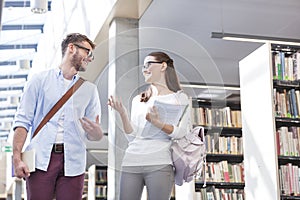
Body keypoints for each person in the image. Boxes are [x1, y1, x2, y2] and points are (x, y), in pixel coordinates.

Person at [12, 33, 103, 200]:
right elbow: (22, 121)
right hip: (40, 160)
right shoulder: (39, 81)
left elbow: (94, 135)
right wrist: (17, 158)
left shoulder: (90, 90)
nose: (90, 58)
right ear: (71, 48)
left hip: (74, 161)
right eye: (87, 52)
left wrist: (97, 133)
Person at [108, 51, 191, 200]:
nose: (144, 69)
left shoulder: (180, 98)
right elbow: (131, 137)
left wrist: (157, 123)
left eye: (148, 64)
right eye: (142, 66)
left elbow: (181, 133)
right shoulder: (138, 100)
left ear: (163, 66)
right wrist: (122, 113)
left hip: (159, 162)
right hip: (131, 161)